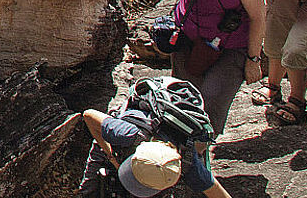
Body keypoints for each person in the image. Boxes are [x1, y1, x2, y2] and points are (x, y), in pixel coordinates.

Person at [69, 0, 266, 134]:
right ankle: (180, 149)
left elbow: (258, 17)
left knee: (211, 101)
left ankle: (201, 147)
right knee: (182, 100)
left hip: (231, 45)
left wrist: (253, 59)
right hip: (188, 39)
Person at [77, 76, 233, 198]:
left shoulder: (188, 163)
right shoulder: (126, 134)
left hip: (179, 103)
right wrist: (110, 155)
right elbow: (89, 115)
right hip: (149, 101)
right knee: (90, 189)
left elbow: (215, 191)